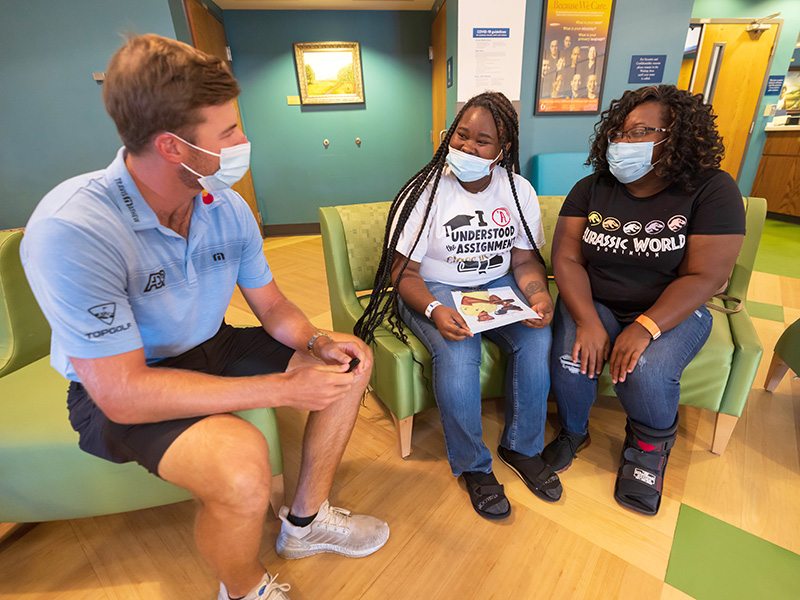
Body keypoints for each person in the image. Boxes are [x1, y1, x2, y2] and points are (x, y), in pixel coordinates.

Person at [20, 34, 388, 600]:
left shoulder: (225, 205)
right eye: (229, 133)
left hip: (211, 343)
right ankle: (243, 590)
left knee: (348, 362)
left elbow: (271, 306)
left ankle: (305, 525)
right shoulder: (75, 228)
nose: (244, 141)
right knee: (243, 465)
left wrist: (316, 342)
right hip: (123, 381)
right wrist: (284, 389)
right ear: (172, 147)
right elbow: (122, 393)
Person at [354, 91, 560, 521]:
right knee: (459, 351)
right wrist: (432, 309)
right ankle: (473, 466)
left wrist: (537, 293)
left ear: (503, 151)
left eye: (481, 141)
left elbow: (523, 259)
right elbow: (402, 272)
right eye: (460, 135)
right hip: (433, 286)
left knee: (537, 339)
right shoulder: (424, 192)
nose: (466, 147)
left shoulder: (517, 189)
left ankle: (523, 448)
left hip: (497, 284)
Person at [543, 84, 745, 516]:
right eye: (617, 131)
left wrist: (645, 327)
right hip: (595, 299)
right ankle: (574, 432)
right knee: (571, 354)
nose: (621, 142)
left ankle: (647, 449)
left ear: (676, 138)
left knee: (646, 371)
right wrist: (587, 321)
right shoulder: (592, 187)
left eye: (639, 132)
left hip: (672, 309)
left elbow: (707, 275)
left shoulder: (712, 189)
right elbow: (566, 258)